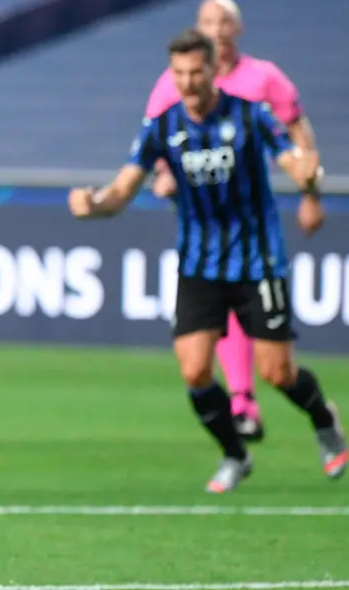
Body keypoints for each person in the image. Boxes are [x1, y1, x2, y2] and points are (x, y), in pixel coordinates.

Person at [67, 28, 346, 493]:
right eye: (179, 73)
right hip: (200, 266)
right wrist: (94, 204)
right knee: (195, 370)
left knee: (278, 373)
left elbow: (293, 158)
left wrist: (307, 179)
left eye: (196, 72)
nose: (188, 83)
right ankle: (235, 455)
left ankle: (323, 419)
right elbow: (122, 191)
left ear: (214, 69)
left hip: (258, 262)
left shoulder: (250, 116)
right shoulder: (162, 126)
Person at [144, 0, 322, 442]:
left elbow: (297, 133)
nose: (217, 29)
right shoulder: (174, 81)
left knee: (273, 360)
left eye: (224, 21)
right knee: (200, 346)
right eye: (208, 22)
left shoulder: (263, 80)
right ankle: (241, 404)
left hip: (250, 226)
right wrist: (163, 176)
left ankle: (252, 400)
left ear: (238, 29)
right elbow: (154, 142)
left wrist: (309, 189)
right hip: (202, 227)